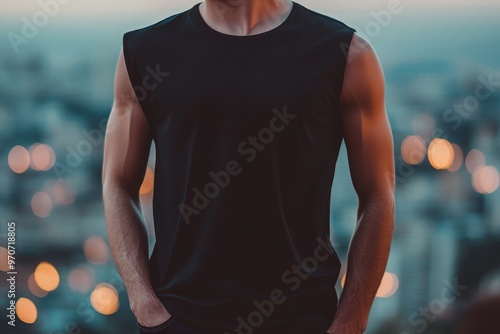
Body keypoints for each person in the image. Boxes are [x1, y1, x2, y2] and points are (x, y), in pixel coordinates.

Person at [102, 0, 395, 333]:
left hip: (303, 317)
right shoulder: (144, 53)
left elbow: (378, 194)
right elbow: (117, 183)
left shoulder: (346, 54)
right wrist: (145, 305)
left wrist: (350, 322)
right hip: (180, 318)